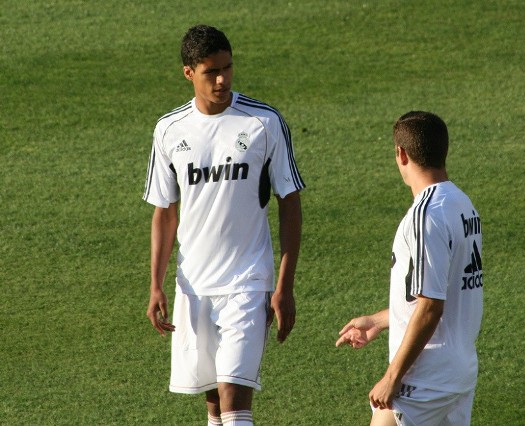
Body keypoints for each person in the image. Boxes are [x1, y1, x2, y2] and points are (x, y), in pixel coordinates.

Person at [143, 24, 304, 426]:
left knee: (234, 399)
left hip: (247, 281)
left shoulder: (264, 123)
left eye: (228, 68)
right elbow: (165, 211)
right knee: (214, 404)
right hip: (194, 283)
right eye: (211, 71)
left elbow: (290, 201)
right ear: (188, 73)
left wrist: (284, 286)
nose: (222, 79)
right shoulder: (169, 130)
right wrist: (156, 283)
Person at [336, 111, 483, 426]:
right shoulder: (463, 205)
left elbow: (430, 307)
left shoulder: (425, 217)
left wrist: (392, 376)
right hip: (458, 372)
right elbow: (441, 295)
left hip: (425, 377)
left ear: (401, 154)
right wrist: (377, 321)